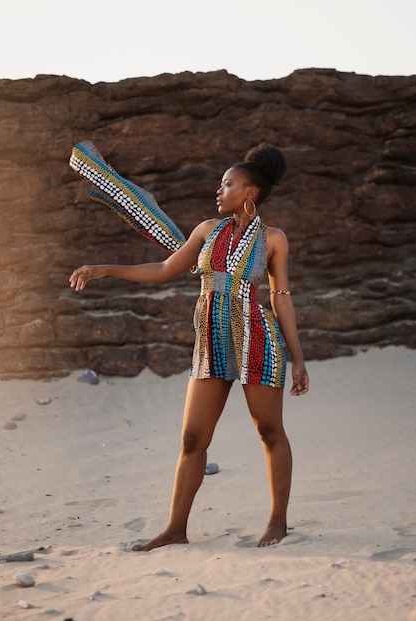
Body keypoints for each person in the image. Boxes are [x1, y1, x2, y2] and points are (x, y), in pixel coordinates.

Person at [69, 143, 309, 550]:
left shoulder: (273, 239)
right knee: (192, 439)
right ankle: (175, 529)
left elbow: (280, 296)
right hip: (211, 343)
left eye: (227, 184)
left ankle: (277, 523)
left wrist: (298, 359)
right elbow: (165, 269)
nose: (219, 191)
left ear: (249, 191)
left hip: (258, 341)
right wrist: (105, 268)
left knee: (269, 431)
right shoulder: (205, 231)